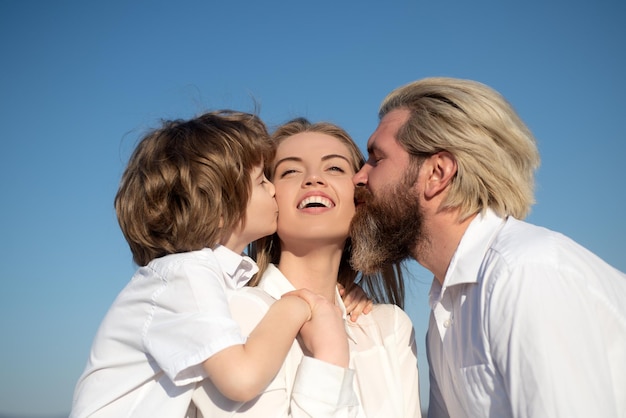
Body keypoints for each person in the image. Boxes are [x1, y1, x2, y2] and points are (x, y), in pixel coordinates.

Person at [349, 77, 626, 418]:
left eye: (376, 159)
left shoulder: (526, 274)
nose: (358, 178)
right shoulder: (447, 303)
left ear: (437, 173)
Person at [70, 110, 346, 417]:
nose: (273, 189)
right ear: (219, 209)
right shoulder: (186, 273)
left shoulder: (204, 276)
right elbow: (241, 379)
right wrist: (297, 306)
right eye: (261, 180)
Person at [191, 118, 422, 417]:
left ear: (360, 196)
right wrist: (329, 356)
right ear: (268, 197)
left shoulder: (391, 328)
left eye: (335, 168)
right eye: (290, 171)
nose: (313, 178)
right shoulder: (230, 317)